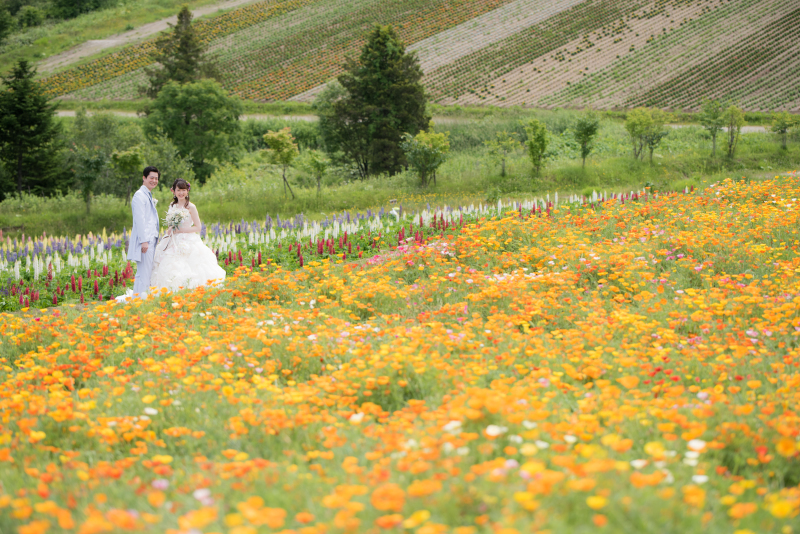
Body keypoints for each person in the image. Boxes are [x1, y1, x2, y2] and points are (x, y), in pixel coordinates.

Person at [150, 178, 226, 291]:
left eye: (183, 190)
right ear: (173, 191)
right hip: (173, 240)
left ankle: (189, 288)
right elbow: (171, 222)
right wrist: (170, 228)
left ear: (187, 191)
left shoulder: (191, 207)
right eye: (178, 190)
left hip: (188, 240)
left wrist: (180, 230)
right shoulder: (172, 205)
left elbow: (198, 227)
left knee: (191, 265)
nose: (181, 193)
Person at [127, 166, 160, 297]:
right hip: (145, 242)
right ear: (144, 178)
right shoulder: (139, 196)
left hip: (150, 240)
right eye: (151, 177)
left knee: (143, 273)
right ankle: (142, 300)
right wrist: (144, 241)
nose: (154, 180)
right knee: (144, 274)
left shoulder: (147, 194)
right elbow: (139, 220)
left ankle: (138, 299)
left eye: (156, 178)